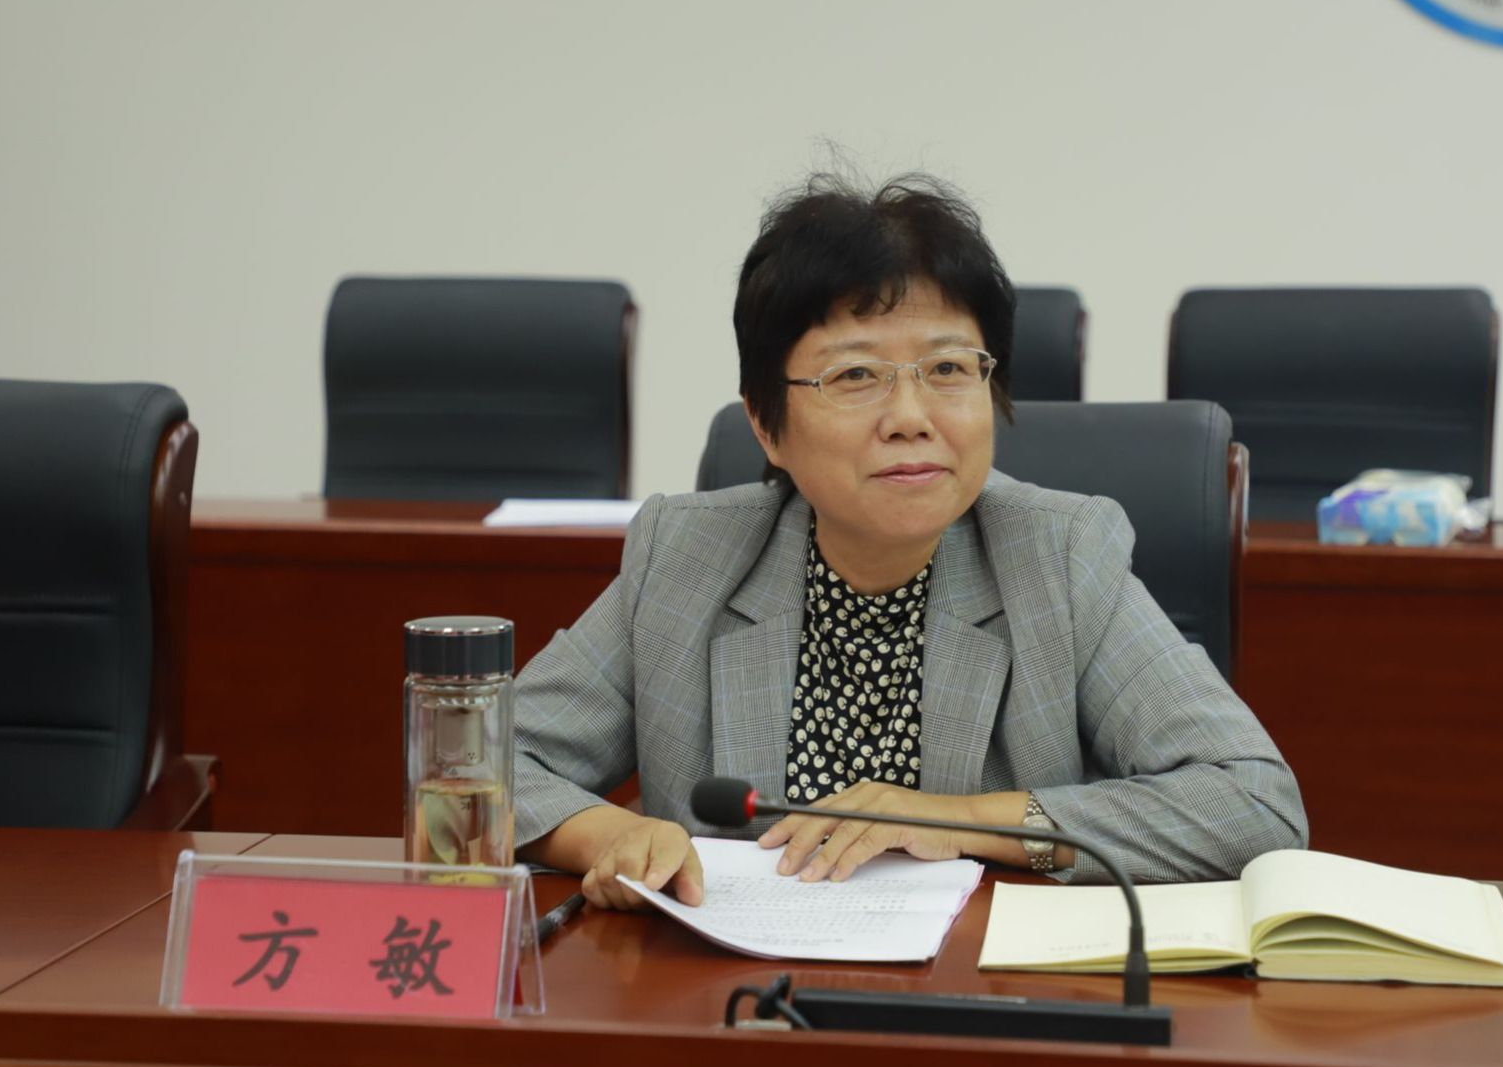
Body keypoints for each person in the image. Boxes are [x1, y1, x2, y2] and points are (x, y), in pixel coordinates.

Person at [513, 174, 1307, 910]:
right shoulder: (686, 557)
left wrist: (958, 821)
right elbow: (477, 771)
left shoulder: (1057, 558)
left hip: (978, 991)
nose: (910, 416)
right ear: (765, 423)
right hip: (735, 992)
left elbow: (1252, 802)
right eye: (856, 376)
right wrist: (608, 834)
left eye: (949, 368)